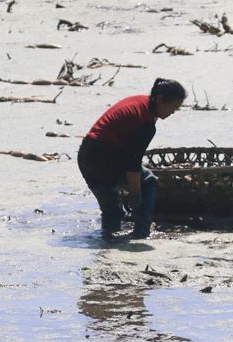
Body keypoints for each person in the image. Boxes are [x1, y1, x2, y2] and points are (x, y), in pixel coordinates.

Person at [77, 78, 186, 240]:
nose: (173, 112)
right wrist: (136, 195)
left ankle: (107, 244)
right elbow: (132, 163)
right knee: (149, 181)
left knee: (112, 211)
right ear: (161, 100)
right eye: (173, 107)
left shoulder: (139, 101)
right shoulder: (146, 123)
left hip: (86, 156)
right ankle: (141, 232)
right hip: (105, 157)